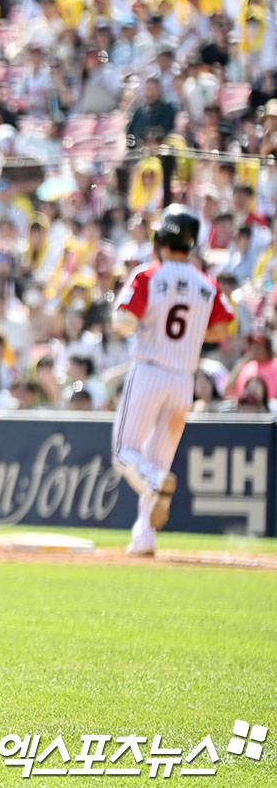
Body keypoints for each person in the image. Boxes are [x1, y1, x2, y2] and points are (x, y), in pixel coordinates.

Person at [111, 206, 234, 556]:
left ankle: (152, 484)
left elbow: (123, 321)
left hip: (149, 369)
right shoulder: (207, 284)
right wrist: (193, 336)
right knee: (158, 458)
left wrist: (144, 324)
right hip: (184, 379)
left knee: (125, 453)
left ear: (161, 239)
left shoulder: (149, 275)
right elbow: (225, 328)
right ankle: (144, 537)